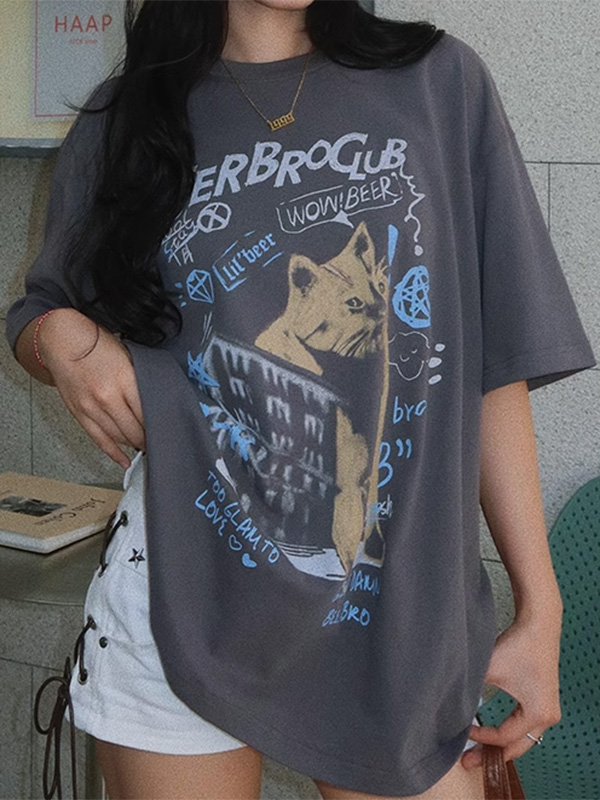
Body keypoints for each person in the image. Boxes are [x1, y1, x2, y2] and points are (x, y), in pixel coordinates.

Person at [5, 1, 596, 798]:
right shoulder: (127, 117)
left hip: (393, 619)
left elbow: (494, 365)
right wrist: (62, 339)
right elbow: (39, 310)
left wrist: (540, 609)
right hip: (183, 597)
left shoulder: (436, 81)